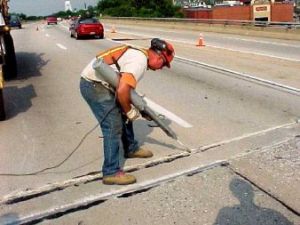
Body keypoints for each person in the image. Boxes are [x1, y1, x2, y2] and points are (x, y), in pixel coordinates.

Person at [80, 38, 175, 185]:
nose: (162, 67)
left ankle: (131, 148)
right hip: (95, 86)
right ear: (158, 56)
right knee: (113, 126)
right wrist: (129, 110)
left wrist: (140, 110)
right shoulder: (139, 61)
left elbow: (127, 89)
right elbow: (123, 89)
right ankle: (111, 172)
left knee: (124, 114)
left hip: (104, 84)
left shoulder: (140, 55)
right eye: (163, 63)